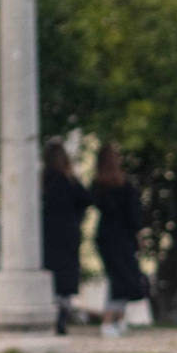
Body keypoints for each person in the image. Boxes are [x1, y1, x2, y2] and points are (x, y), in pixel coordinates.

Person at [91, 145, 148, 341]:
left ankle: (117, 320)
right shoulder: (124, 186)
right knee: (122, 279)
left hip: (106, 236)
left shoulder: (98, 186)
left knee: (118, 279)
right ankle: (110, 321)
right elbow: (134, 216)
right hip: (122, 238)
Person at [41, 142, 88, 337]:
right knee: (65, 280)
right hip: (67, 235)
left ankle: (54, 314)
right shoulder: (70, 182)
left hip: (48, 235)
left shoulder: (43, 182)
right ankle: (62, 315)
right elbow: (86, 201)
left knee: (51, 276)